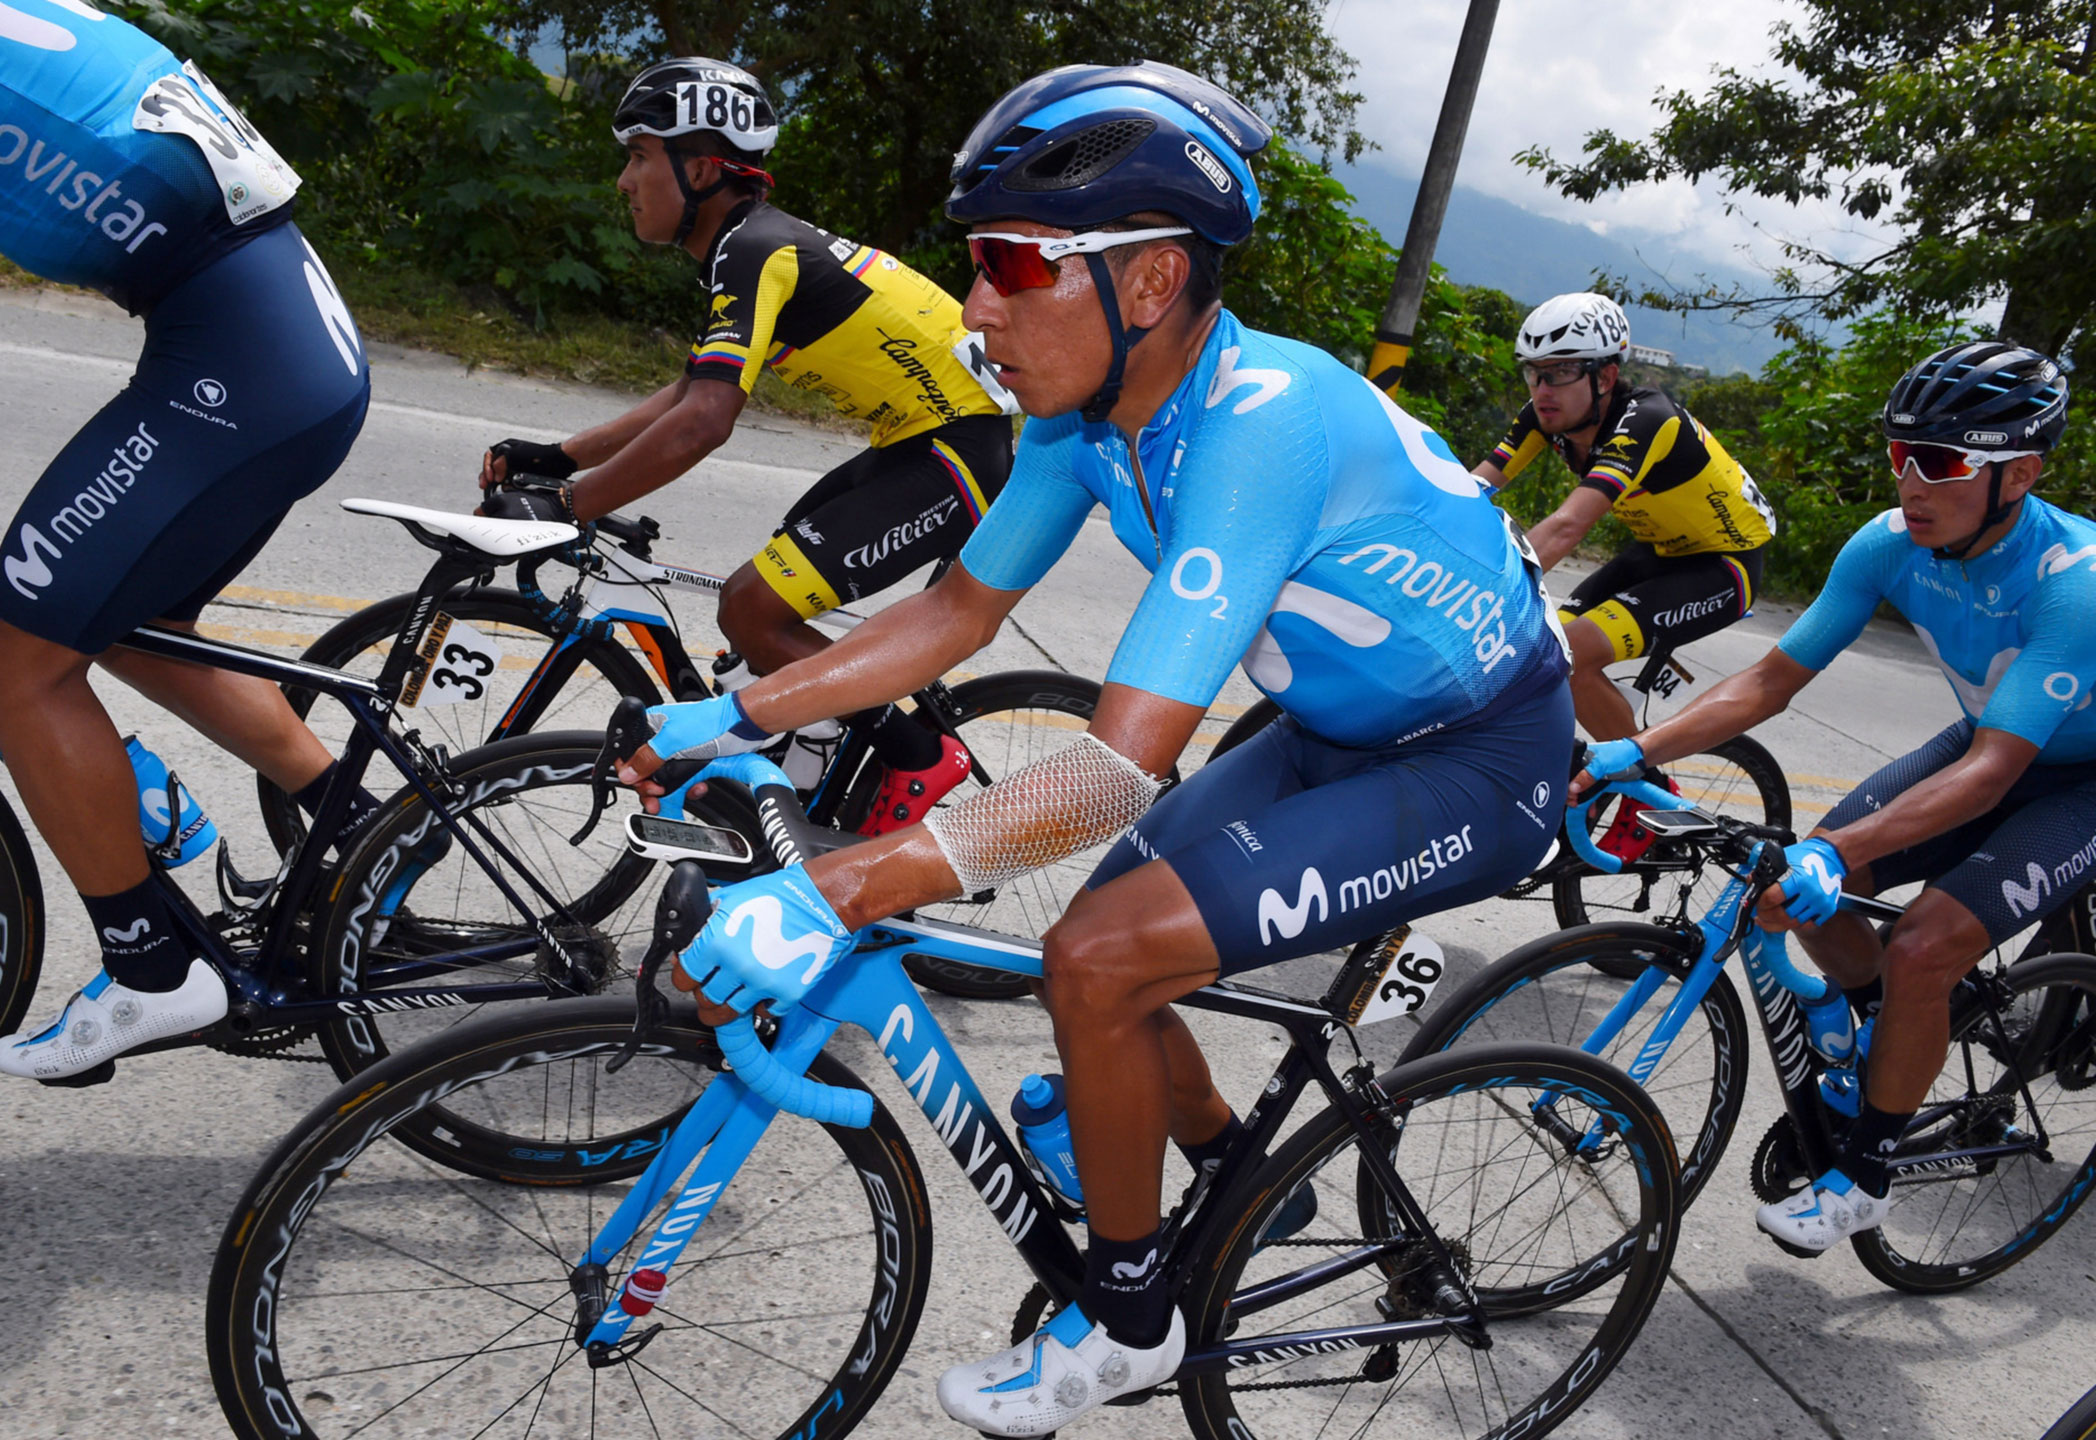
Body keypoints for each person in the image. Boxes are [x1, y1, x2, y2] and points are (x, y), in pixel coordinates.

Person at [618, 61, 1576, 1436]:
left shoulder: (1265, 424)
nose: (976, 309)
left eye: (1013, 266)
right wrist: (736, 711)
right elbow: (954, 611)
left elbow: (1113, 765)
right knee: (1111, 946)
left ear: (1146, 281)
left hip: (1480, 757)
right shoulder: (1077, 421)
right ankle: (1246, 1173)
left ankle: (1133, 1317)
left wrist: (844, 885)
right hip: (1328, 728)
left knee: (1101, 955)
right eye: (974, 265)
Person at [0, 2, 374, 1079]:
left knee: (2, 661)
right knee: (127, 622)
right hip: (280, 345)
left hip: (242, 364)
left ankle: (153, 970)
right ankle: (366, 826)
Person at [1573, 340, 2085, 1252]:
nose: (1910, 482)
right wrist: (1634, 749)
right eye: (1898, 455)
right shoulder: (1889, 545)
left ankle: (1867, 1176)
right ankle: (1899, 1026)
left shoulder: (2073, 584)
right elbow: (1771, 680)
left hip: (2076, 776)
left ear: (2021, 476)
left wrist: (1840, 851)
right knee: (1790, 894)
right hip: (1988, 741)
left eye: (1939, 461)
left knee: (1923, 941)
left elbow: (1996, 775)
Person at [479, 57, 1015, 832]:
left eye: (637, 156)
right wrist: (563, 459)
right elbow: (691, 391)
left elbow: (705, 421)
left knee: (753, 610)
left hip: (956, 452)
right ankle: (813, 757)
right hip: (919, 441)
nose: (624, 181)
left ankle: (912, 754)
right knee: (758, 606)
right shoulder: (750, 246)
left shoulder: (753, 247)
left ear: (699, 168)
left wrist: (567, 505)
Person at [1472, 295, 1776, 856]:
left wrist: (1475, 590)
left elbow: (1566, 528)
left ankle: (1647, 790)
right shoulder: (1548, 414)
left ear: (1605, 376)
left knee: (1571, 651)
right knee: (1539, 648)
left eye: (1560, 373)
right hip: (1661, 552)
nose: (1542, 389)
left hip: (1722, 566)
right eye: (1534, 373)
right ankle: (1557, 774)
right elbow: (1471, 492)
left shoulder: (1648, 420)